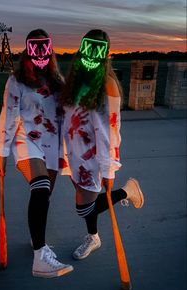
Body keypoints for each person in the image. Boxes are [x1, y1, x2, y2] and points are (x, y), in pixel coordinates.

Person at [0, 29, 73, 277]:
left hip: (51, 145)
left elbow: (66, 115)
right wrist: (0, 153)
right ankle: (40, 257)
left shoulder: (56, 80)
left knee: (44, 197)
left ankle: (36, 239)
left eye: (44, 48)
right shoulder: (16, 81)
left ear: (50, 51)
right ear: (29, 50)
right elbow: (8, 116)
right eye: (35, 48)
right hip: (24, 140)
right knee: (39, 188)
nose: (40, 53)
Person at [59, 29, 144, 260]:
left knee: (84, 207)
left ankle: (128, 190)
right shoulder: (75, 82)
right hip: (74, 156)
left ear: (106, 55)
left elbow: (111, 131)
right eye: (89, 47)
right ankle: (93, 237)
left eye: (98, 49)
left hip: (93, 158)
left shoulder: (107, 85)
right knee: (88, 201)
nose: (92, 54)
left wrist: (108, 168)